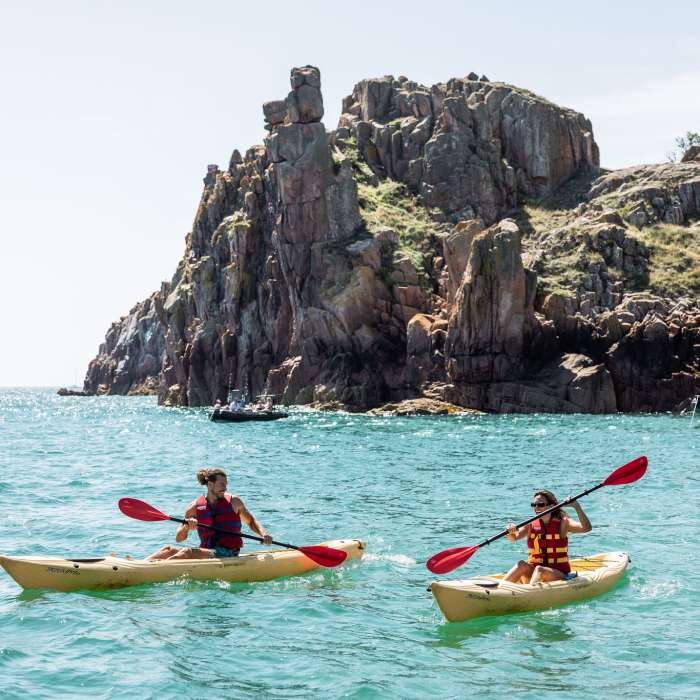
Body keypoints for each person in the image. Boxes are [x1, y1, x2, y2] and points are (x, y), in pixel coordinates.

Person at [146, 468, 273, 561]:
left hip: (228, 553)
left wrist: (264, 534)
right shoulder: (194, 507)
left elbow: (251, 521)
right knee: (168, 549)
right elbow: (179, 538)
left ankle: (156, 570)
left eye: (226, 484)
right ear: (210, 485)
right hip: (208, 552)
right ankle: (141, 565)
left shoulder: (234, 502)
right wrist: (187, 527)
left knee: (187, 552)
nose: (225, 488)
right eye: (221, 484)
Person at [502, 490, 592, 584]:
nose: (536, 507)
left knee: (540, 570)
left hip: (557, 574)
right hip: (534, 571)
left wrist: (577, 507)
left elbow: (586, 528)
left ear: (551, 506)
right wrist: (510, 531)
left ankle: (531, 590)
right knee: (521, 564)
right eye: (534, 505)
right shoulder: (530, 525)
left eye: (540, 504)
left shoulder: (563, 522)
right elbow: (514, 538)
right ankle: (500, 588)